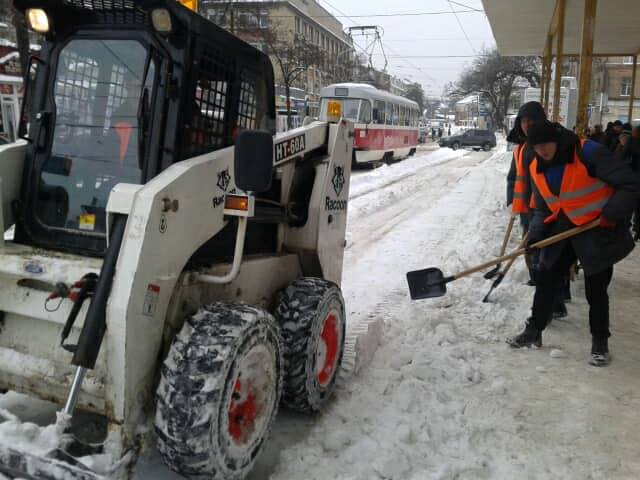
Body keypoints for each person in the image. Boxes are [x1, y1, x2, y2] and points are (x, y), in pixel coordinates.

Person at [508, 120, 639, 366]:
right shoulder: (537, 166)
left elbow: (628, 184)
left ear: (556, 140)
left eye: (546, 144)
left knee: (596, 288)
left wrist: (612, 213)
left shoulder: (588, 152)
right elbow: (543, 206)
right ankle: (534, 331)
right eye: (536, 147)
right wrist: (536, 236)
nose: (542, 151)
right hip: (564, 228)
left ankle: (600, 341)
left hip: (597, 227)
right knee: (545, 278)